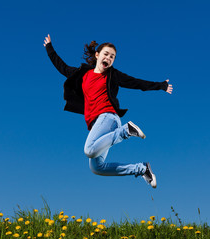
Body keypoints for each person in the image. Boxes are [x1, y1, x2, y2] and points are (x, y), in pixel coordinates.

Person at [43, 34, 173, 188]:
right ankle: (142, 169)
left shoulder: (112, 75)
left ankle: (126, 131)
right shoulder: (83, 74)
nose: (109, 58)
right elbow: (62, 67)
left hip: (108, 118)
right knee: (97, 168)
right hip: (96, 124)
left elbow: (135, 82)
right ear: (97, 55)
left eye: (113, 57)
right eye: (106, 54)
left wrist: (160, 86)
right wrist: (49, 48)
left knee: (89, 150)